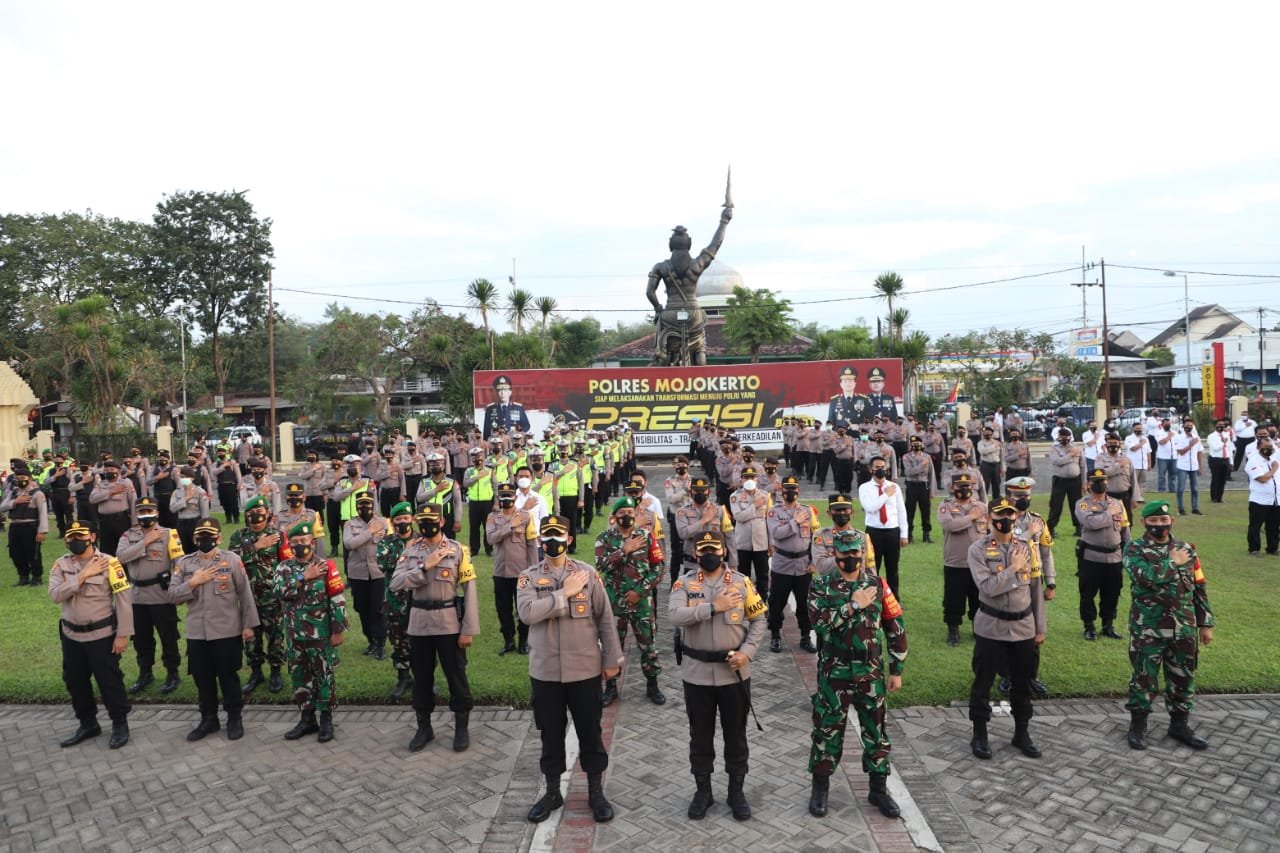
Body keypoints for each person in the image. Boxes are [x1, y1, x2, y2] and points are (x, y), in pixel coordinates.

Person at [517, 515, 623, 825]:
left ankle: (595, 792)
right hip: (546, 671)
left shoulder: (588, 574)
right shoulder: (528, 577)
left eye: (558, 535)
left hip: (584, 669)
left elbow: (605, 619)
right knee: (550, 733)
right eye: (547, 536)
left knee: (590, 731)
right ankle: (552, 792)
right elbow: (527, 614)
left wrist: (611, 661)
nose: (553, 541)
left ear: (569, 539)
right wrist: (564, 593)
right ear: (540, 541)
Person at [806, 529, 907, 819]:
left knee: (876, 730)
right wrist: (853, 605)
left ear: (862, 553)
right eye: (845, 553)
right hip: (834, 671)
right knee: (827, 729)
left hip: (870, 671)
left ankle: (878, 789)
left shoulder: (878, 584)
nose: (851, 558)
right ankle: (820, 788)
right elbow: (820, 625)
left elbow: (895, 626)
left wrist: (897, 668)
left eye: (855, 553)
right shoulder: (821, 586)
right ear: (834, 555)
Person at [669, 531, 766, 821]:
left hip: (733, 673)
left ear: (724, 552)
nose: (709, 554)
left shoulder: (741, 581)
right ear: (696, 555)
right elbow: (674, 615)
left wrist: (747, 652)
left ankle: (736, 791)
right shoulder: (684, 583)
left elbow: (759, 620)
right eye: (704, 550)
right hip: (697, 674)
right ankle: (703, 791)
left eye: (715, 548)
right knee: (700, 736)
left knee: (736, 736)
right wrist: (713, 608)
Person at [1123, 500, 1215, 750]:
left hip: (1183, 627)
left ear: (1171, 521)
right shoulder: (1135, 549)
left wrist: (1205, 623)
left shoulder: (1187, 549)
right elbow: (1144, 578)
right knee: (1144, 679)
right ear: (1144, 523)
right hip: (1148, 628)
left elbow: (1199, 588)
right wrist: (1172, 562)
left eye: (1164, 521)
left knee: (1183, 677)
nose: (1159, 525)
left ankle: (1179, 725)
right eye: (1154, 521)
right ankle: (1138, 727)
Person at [389, 503, 480, 752]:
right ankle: (424, 728)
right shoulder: (411, 550)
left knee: (456, 677)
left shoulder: (457, 550)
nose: (427, 525)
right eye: (423, 520)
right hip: (419, 623)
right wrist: (424, 566)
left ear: (441, 522)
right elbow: (396, 583)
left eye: (432, 520)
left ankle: (461, 728)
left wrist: (468, 629)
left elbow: (469, 590)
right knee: (422, 679)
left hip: (449, 623)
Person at [967, 499, 1047, 761]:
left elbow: (1036, 589)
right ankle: (980, 734)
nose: (1006, 520)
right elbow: (987, 588)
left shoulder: (1026, 547)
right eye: (1000, 515)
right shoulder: (978, 549)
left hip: (1023, 627)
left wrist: (1040, 627)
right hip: (991, 627)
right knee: (983, 683)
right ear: (990, 518)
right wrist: (1013, 568)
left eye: (1010, 515)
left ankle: (1021, 733)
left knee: (1022, 684)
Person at [169, 518, 259, 741]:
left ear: (218, 538)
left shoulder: (232, 560)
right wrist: (193, 582)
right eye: (201, 537)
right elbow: (172, 596)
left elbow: (245, 594)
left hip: (226, 631)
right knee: (203, 678)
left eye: (210, 537)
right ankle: (208, 719)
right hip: (198, 633)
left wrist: (248, 625)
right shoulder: (185, 564)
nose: (205, 541)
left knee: (228, 677)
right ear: (194, 539)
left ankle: (234, 718)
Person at [48, 520, 133, 749]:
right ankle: (88, 724)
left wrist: (123, 634)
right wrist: (83, 575)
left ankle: (120, 724)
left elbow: (123, 601)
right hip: (71, 635)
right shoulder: (60, 564)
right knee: (75, 682)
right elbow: (55, 595)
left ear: (92, 537)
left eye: (81, 536)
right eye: (71, 537)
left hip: (102, 635)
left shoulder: (110, 563)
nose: (76, 541)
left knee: (110, 682)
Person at [274, 520, 348, 743]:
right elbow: (279, 591)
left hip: (320, 635)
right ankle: (307, 719)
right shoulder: (284, 567)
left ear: (312, 542)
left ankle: (326, 719)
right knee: (300, 676)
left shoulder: (326, 566)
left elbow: (337, 600)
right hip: (295, 635)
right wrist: (303, 577)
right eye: (294, 542)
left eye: (303, 541)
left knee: (323, 676)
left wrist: (337, 630)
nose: (299, 546)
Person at [595, 496, 666, 706]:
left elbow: (659, 568)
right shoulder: (604, 539)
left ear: (635, 514)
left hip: (641, 601)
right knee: (611, 644)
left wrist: (641, 591)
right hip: (614, 602)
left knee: (648, 644)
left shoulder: (646, 536)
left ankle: (652, 685)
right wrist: (623, 551)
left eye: (630, 512)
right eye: (622, 513)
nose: (626, 516)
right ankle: (611, 687)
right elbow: (600, 567)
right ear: (614, 516)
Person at [116, 498, 184, 694]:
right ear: (136, 514)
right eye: (141, 511)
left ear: (157, 512)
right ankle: (145, 673)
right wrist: (145, 542)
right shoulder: (128, 535)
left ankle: (173, 673)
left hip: (161, 594)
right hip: (136, 596)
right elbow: (120, 557)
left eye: (149, 510)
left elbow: (179, 563)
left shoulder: (169, 534)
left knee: (168, 636)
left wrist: (177, 588)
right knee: (141, 639)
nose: (146, 514)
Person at [228, 496, 288, 694]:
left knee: (275, 636)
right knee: (251, 638)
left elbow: (286, 565)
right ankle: (256, 672)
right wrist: (256, 547)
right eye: (252, 513)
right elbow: (232, 562)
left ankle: (276, 671)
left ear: (267, 515)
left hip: (271, 597)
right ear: (247, 515)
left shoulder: (278, 536)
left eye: (260, 514)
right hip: (247, 598)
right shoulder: (238, 536)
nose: (256, 517)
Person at [765, 475, 818, 654]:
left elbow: (814, 538)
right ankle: (775, 636)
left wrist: (814, 561)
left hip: (804, 565)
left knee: (805, 603)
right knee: (776, 602)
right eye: (787, 489)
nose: (790, 492)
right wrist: (795, 521)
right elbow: (777, 534)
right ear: (781, 491)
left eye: (793, 489)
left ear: (798, 491)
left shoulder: (808, 511)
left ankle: (805, 636)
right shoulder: (774, 512)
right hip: (782, 564)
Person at [1075, 469, 1130, 641]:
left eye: (1103, 480)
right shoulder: (1083, 504)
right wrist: (1110, 513)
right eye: (1096, 481)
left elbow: (1125, 528)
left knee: (1112, 593)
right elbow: (1091, 522)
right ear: (1089, 484)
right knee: (1088, 594)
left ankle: (1108, 625)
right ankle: (1089, 626)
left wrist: (1129, 549)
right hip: (1091, 557)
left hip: (1114, 557)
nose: (1100, 484)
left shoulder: (1117, 503)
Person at [487, 482, 538, 655]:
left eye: (509, 496)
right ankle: (508, 640)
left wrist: (533, 570)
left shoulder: (525, 516)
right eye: (503, 496)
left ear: (515, 497)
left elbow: (532, 545)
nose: (506, 499)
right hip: (501, 572)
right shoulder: (492, 518)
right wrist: (510, 526)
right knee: (503, 609)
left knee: (524, 607)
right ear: (498, 498)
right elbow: (491, 539)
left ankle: (524, 641)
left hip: (522, 572)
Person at [937, 474, 985, 646]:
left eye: (967, 486)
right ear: (953, 487)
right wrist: (971, 517)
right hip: (955, 562)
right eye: (960, 486)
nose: (964, 489)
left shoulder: (982, 507)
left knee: (978, 598)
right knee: (953, 599)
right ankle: (953, 631)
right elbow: (950, 526)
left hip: (979, 563)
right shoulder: (946, 506)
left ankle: (977, 628)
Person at [379, 502, 417, 699]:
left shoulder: (421, 539)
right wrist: (406, 553)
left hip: (419, 599)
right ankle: (403, 677)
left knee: (421, 642)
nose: (403, 522)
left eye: (406, 518)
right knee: (398, 640)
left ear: (412, 519)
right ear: (392, 522)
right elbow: (383, 563)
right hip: (395, 600)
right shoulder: (386, 542)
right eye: (398, 519)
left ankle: (423, 678)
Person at [343, 493, 387, 660]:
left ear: (373, 505)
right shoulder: (350, 524)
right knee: (361, 608)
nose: (364, 508)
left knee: (378, 608)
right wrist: (369, 532)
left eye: (367, 504)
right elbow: (350, 544)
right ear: (356, 507)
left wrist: (372, 531)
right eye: (361, 505)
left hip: (378, 572)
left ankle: (380, 642)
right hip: (358, 573)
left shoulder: (383, 523)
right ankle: (370, 639)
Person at [859, 456, 908, 598]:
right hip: (874, 532)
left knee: (892, 568)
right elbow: (870, 507)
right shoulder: (865, 488)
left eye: (882, 467)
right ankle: (872, 599)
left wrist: (904, 534)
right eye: (877, 467)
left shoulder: (895, 487)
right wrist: (886, 495)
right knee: (873, 567)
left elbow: (901, 511)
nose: (880, 470)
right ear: (870, 469)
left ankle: (893, 600)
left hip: (892, 532)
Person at [729, 464, 772, 600]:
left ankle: (763, 602)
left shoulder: (765, 495)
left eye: (752, 477)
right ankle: (746, 602)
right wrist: (755, 506)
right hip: (743, 542)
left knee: (763, 576)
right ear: (741, 480)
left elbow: (769, 521)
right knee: (743, 576)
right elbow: (739, 517)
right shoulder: (734, 496)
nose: (749, 479)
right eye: (746, 477)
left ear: (757, 479)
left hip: (761, 542)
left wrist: (771, 543)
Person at [1, 463, 48, 586]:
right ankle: (23, 576)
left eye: (23, 478)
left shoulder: (37, 494)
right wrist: (14, 502)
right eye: (18, 479)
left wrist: (42, 531)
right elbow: (2, 507)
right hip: (15, 526)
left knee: (32, 553)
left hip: (30, 526)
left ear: (29, 478)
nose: (20, 481)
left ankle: (37, 577)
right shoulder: (14, 494)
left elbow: (43, 513)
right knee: (15, 552)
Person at [89, 460, 136, 557]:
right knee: (106, 550)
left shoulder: (126, 482)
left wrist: (134, 523)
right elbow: (92, 499)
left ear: (118, 471)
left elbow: (133, 502)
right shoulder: (100, 484)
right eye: (106, 470)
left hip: (121, 521)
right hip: (105, 522)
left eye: (111, 469)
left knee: (124, 549)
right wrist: (111, 492)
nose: (109, 472)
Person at [1245, 436, 1280, 556]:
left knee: (1274, 526)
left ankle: (1272, 548)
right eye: (1266, 447)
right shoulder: (1253, 461)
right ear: (1259, 447)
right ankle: (1254, 549)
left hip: (1275, 499)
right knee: (1256, 526)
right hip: (1259, 500)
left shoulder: (1272, 459)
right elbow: (1263, 478)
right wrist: (1275, 468)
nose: (1269, 449)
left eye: (1271, 447)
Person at [1046, 428, 1083, 538]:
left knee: (1076, 505)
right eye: (1062, 437)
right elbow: (1057, 461)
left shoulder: (1077, 448)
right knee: (1056, 505)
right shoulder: (1054, 448)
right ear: (1058, 437)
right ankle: (1050, 528)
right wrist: (1070, 455)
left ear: (1070, 438)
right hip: (1059, 480)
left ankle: (1079, 528)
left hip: (1075, 480)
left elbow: (1083, 466)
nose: (1064, 440)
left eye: (1066, 438)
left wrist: (1085, 482)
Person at [900, 436, 933, 544]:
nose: (916, 445)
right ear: (910, 445)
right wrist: (922, 465)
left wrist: (932, 490)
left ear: (922, 444)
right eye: (914, 443)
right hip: (911, 486)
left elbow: (931, 474)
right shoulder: (906, 457)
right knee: (909, 511)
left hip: (924, 486)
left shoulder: (927, 457)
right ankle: (909, 534)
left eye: (918, 443)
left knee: (926, 511)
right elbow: (909, 472)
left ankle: (926, 534)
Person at [483, 374, 531, 440]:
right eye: (500, 390)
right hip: (496, 442)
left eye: (505, 390)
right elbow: (486, 430)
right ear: (496, 392)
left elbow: (526, 425)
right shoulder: (490, 409)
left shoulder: (518, 408)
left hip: (513, 441)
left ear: (510, 392)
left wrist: (519, 434)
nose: (502, 393)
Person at [1172, 419, 1204, 515]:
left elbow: (1199, 452)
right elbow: (1180, 452)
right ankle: (1180, 509)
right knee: (1180, 488)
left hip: (1194, 466)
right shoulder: (1178, 437)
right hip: (1182, 466)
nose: (1189, 427)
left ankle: (1195, 508)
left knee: (1195, 489)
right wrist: (1190, 445)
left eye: (1191, 425)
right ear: (1183, 426)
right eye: (1187, 425)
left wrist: (1200, 466)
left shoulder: (1196, 438)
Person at [1205, 419, 1234, 504]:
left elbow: (1229, 449)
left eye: (1223, 424)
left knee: (1223, 480)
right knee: (1215, 479)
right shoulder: (1211, 436)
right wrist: (1223, 443)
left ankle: (1219, 498)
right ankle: (1214, 497)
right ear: (1215, 426)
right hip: (1215, 460)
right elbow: (1215, 448)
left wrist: (1231, 461)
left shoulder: (1227, 435)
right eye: (1219, 424)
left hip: (1225, 459)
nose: (1221, 426)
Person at [212, 449, 243, 525]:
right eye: (219, 453)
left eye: (222, 452)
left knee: (233, 503)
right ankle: (228, 519)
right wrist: (223, 466)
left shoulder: (232, 462)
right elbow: (214, 473)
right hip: (221, 486)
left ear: (225, 453)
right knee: (224, 503)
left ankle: (236, 519)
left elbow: (238, 473)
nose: (221, 454)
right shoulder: (216, 463)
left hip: (231, 485)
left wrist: (239, 483)